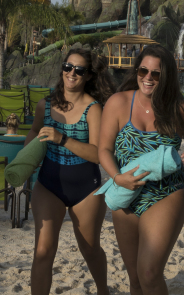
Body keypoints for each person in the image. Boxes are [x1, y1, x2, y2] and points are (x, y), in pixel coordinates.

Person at [99, 44, 184, 295]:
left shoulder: (180, 108)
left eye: (156, 74)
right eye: (143, 70)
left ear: (166, 76)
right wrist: (117, 177)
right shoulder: (118, 103)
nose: (148, 78)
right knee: (135, 279)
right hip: (126, 194)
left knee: (149, 273)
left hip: (166, 193)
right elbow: (103, 149)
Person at [26, 48, 116, 295]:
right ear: (62, 69)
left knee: (89, 248)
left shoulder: (93, 108)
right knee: (43, 251)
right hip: (49, 185)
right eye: (68, 67)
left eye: (79, 70)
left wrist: (62, 139)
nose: (72, 73)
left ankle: (102, 290)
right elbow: (34, 131)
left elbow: (98, 154)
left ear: (88, 76)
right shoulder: (45, 104)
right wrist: (26, 158)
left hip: (86, 188)